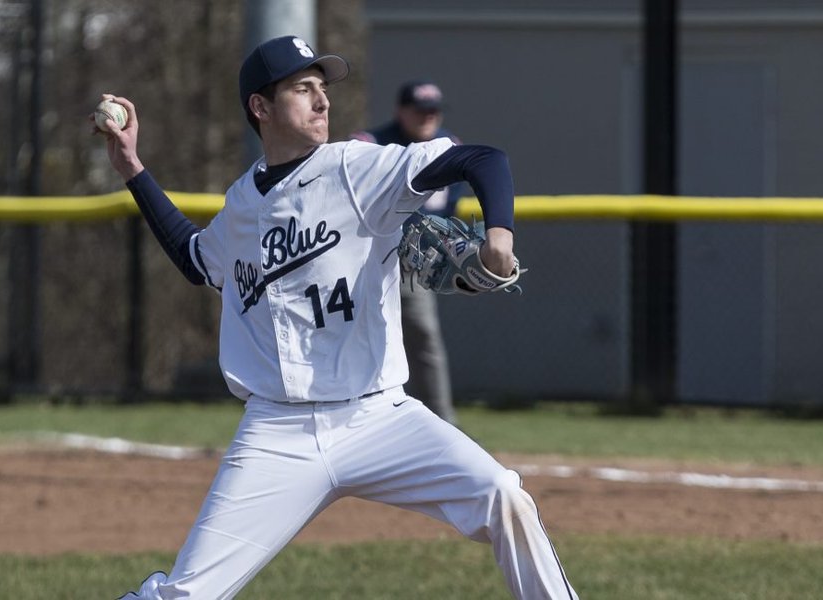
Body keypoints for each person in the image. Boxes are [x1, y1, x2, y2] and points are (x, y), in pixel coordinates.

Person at [104, 35, 577, 600]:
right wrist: (132, 167)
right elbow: (194, 258)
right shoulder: (242, 203)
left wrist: (498, 235)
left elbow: (482, 159)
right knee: (185, 593)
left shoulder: (358, 168)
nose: (322, 101)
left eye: (323, 88)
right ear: (261, 106)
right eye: (302, 89)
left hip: (379, 417)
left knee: (503, 493)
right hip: (277, 432)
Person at [351, 80, 460, 424]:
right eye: (419, 110)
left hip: (413, 264)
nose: (427, 117)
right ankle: (356, 419)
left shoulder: (450, 148)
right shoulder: (371, 145)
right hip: (362, 261)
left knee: (423, 336)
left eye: (433, 111)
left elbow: (445, 213)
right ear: (400, 111)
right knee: (358, 336)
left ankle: (441, 423)